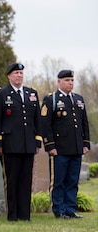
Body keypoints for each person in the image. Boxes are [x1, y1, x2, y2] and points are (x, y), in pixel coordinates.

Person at [0, 63, 42, 221]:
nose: (19, 76)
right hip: (10, 144)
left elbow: (37, 120)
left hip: (28, 144)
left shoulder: (31, 94)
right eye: (16, 73)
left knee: (26, 181)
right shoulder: (1, 94)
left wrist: (37, 141)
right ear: (9, 76)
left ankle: (25, 214)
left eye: (21, 73)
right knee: (12, 180)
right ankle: (12, 214)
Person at [41, 70, 90, 219]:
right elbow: (45, 125)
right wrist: (50, 146)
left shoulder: (78, 99)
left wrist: (86, 143)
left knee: (72, 180)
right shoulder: (52, 99)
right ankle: (59, 209)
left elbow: (84, 123)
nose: (70, 83)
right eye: (67, 80)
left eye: (72, 80)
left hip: (76, 148)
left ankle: (70, 208)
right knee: (59, 181)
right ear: (59, 82)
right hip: (60, 149)